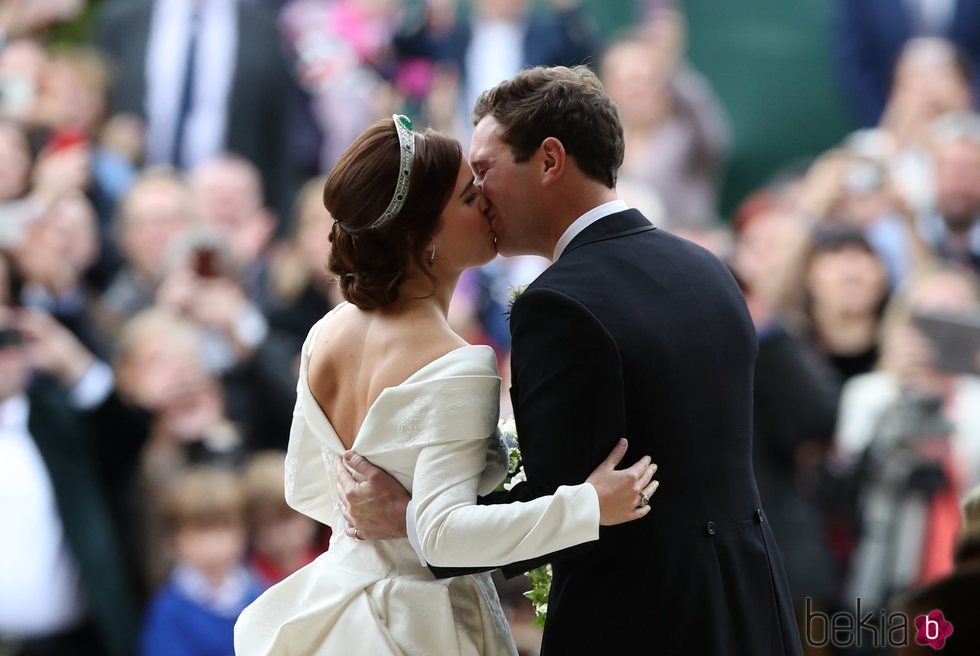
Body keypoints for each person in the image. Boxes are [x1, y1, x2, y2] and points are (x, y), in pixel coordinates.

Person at [338, 66, 803, 655]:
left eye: (484, 170)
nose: (478, 194)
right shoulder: (708, 270)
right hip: (753, 606)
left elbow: (569, 508)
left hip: (639, 625)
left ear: (550, 161)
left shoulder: (559, 304)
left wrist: (412, 522)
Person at [233, 115, 659, 655]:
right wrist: (588, 507)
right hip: (422, 628)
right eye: (465, 196)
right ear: (422, 237)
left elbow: (308, 488)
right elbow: (442, 536)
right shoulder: (456, 364)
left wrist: (391, 518)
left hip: (337, 613)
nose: (485, 200)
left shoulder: (327, 332)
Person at [140, 466, 264, 656]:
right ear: (174, 541)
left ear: (243, 532)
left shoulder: (260, 594)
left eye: (222, 530)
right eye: (198, 534)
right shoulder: (169, 611)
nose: (212, 547)